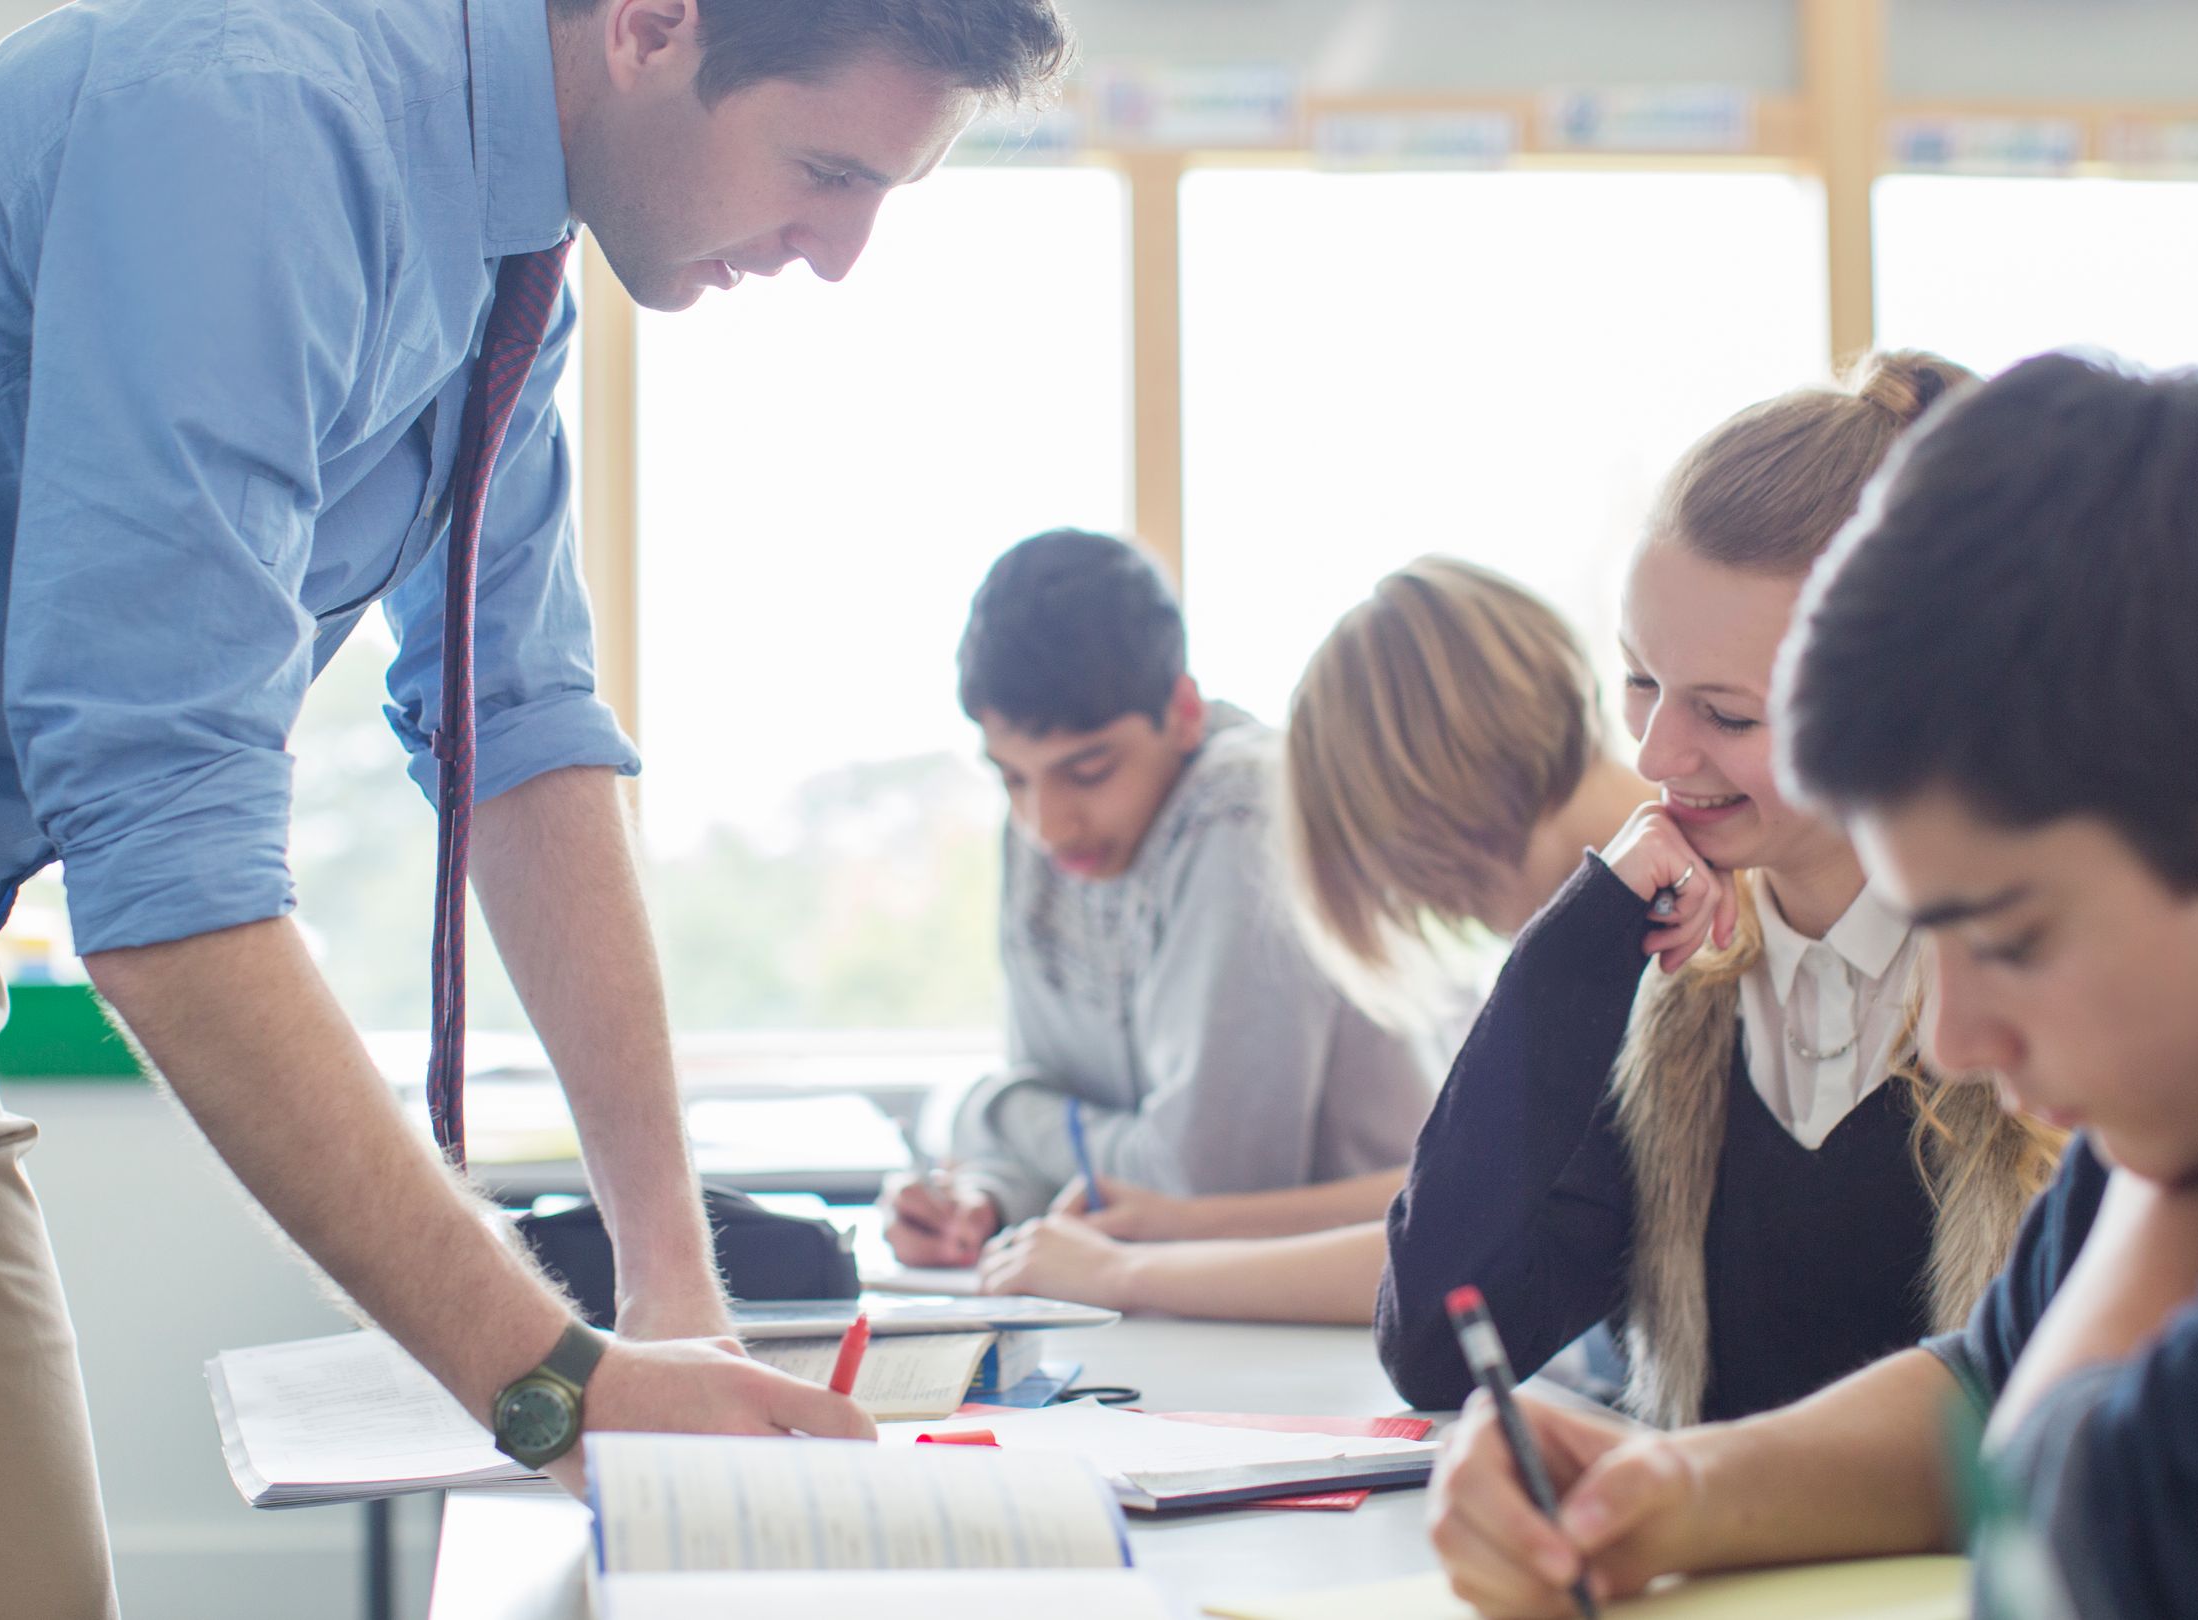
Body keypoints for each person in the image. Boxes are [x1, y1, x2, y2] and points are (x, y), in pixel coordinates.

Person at [0, 0, 1072, 1613]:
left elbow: (521, 732)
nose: (840, 257)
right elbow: (168, 863)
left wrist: (675, 1288)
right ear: (652, 21)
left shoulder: (507, 267)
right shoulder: (255, 123)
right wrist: (556, 1386)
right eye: (827, 170)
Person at [1425, 353, 2198, 1620]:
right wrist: (1674, 1487)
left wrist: (2184, 1177)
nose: (1952, 1039)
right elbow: (1996, 1377)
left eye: (2007, 935)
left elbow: (2105, 1545)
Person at [1377, 354, 2063, 1426]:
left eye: (1727, 716)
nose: (1654, 754)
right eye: (1640, 681)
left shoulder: (2050, 995)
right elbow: (1439, 1344)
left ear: (1906, 697)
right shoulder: (1675, 992)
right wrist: (1577, 946)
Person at [974, 556, 1645, 1321]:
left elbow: (1448, 1255)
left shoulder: (1649, 940)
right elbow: (1451, 1198)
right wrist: (1177, 1229)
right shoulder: (1591, 934)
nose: (1411, 901)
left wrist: (1127, 1269)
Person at [883, 530, 1437, 1267]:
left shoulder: (1249, 809)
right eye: (1012, 778)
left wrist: (982, 1110)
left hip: (1353, 1310)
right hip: (1178, 1297)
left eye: (1088, 770)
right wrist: (986, 1200)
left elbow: (1196, 1183)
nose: (1047, 824)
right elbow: (1070, 1113)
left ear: (1183, 710)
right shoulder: (1052, 829)